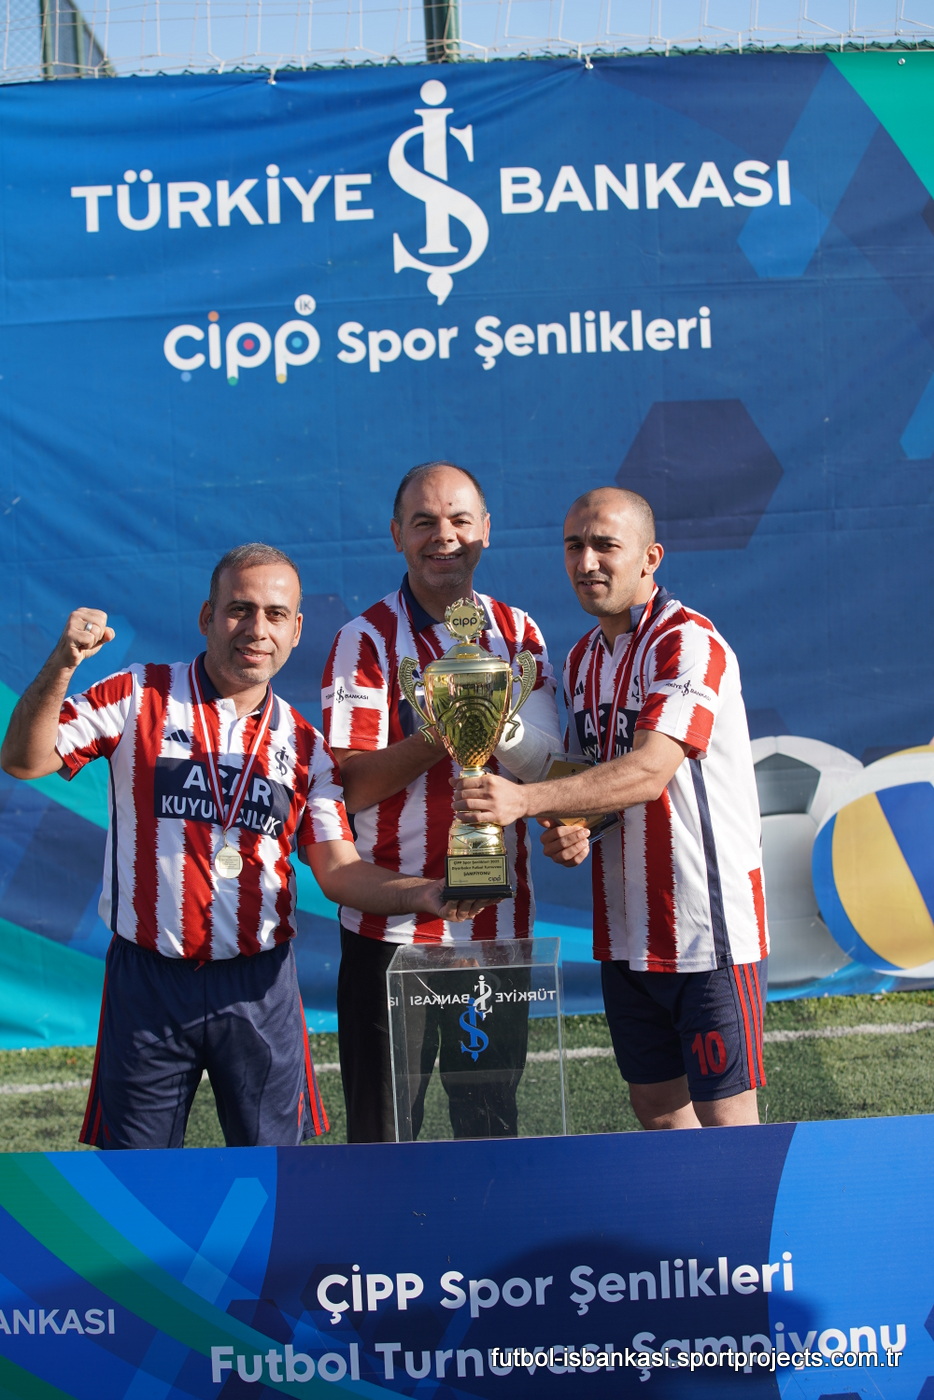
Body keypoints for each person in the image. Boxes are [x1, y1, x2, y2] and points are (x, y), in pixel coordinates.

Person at [0, 543, 483, 1150]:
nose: (257, 630)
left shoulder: (307, 749)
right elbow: (23, 759)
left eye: (276, 615)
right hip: (148, 982)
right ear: (207, 617)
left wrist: (428, 893)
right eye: (239, 610)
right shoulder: (138, 694)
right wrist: (64, 662)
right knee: (139, 1178)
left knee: (274, 1175)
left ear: (296, 631)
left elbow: (338, 871)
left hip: (259, 985)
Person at [455, 487, 768, 1130]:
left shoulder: (689, 641)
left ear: (650, 557)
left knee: (727, 1122)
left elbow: (650, 771)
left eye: (605, 546)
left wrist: (525, 801)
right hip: (626, 929)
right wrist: (575, 829)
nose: (587, 561)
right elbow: (591, 780)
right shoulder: (580, 659)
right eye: (574, 546)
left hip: (706, 927)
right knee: (657, 1111)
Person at [322, 461, 561, 1142]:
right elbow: (353, 785)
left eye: (459, 520)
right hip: (392, 934)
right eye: (424, 522)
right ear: (397, 534)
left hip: (495, 928)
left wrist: (557, 807)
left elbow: (547, 763)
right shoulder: (365, 640)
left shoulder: (519, 632)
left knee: (489, 1129)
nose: (443, 536)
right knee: (384, 1136)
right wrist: (443, 730)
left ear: (486, 530)